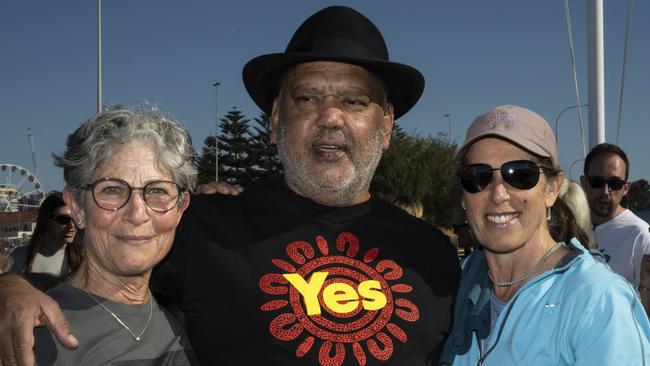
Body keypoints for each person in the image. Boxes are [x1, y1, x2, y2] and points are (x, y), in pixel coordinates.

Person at [0, 6, 460, 366]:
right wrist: (11, 289)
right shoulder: (200, 226)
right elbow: (99, 277)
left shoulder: (433, 257)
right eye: (306, 99)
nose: (329, 117)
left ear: (385, 127)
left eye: (353, 101)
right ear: (276, 121)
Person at [439, 105, 650, 365]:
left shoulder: (599, 301)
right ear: (463, 197)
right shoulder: (460, 283)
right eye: (478, 176)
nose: (498, 194)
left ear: (552, 189)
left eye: (521, 174)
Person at [32, 108, 197, 364]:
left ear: (180, 208)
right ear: (76, 206)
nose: (137, 213)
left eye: (158, 191)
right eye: (112, 189)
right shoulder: (30, 336)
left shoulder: (196, 316)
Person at [580, 143, 650, 288]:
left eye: (615, 183)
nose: (605, 191)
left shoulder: (640, 235)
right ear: (584, 183)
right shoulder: (570, 227)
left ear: (625, 188)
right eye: (597, 182)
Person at [4, 192, 80, 276]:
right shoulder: (19, 257)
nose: (71, 226)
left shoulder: (83, 260)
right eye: (63, 219)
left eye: (76, 218)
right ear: (46, 222)